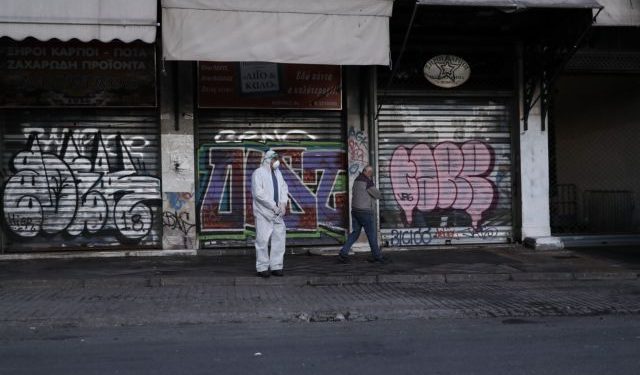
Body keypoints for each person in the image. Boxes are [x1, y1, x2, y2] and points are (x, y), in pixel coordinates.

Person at [338, 165, 390, 264]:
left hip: (355, 211)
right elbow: (378, 194)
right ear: (368, 172)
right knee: (372, 235)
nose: (371, 174)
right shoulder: (367, 182)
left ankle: (343, 253)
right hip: (365, 212)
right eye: (370, 173)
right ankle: (377, 256)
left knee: (355, 233)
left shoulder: (356, 180)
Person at [251, 150, 289, 278]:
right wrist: (273, 205)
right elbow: (258, 193)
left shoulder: (278, 173)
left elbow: (284, 188)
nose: (277, 161)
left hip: (277, 213)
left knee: (279, 239)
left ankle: (276, 266)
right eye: (275, 159)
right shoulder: (258, 173)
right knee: (262, 240)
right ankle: (262, 267)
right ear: (268, 159)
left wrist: (283, 203)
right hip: (263, 212)